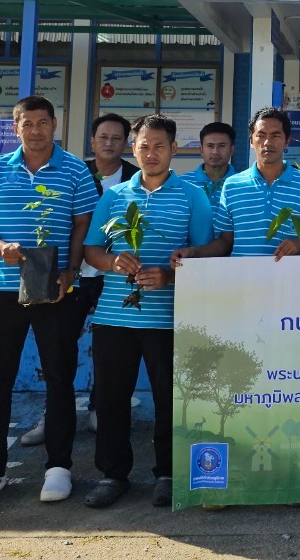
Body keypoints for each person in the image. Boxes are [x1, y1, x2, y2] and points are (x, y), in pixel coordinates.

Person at [0, 95, 100, 508]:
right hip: (2, 288)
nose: (35, 130)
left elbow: (81, 226)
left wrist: (71, 272)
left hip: (56, 289)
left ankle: (59, 467)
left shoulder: (75, 170)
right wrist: (0, 246)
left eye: (43, 122)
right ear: (15, 128)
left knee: (59, 378)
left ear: (55, 124)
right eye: (27, 123)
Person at [81, 114, 212, 510]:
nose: (150, 153)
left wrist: (171, 276)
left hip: (168, 319)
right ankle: (113, 474)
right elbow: (91, 250)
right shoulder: (114, 196)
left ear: (174, 149)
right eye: (142, 146)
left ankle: (168, 474)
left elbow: (204, 255)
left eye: (159, 146)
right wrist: (112, 263)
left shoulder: (193, 195)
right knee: (110, 398)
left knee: (170, 399)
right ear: (132, 149)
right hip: (113, 317)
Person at [20, 113, 139, 447]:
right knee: (60, 349)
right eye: (103, 137)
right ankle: (54, 414)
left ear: (126, 143)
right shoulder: (74, 172)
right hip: (71, 276)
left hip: (115, 279)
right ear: (92, 141)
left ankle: (101, 408)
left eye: (117, 138)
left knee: (110, 350)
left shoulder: (137, 177)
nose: (109, 143)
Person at [175, 108, 300, 261]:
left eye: (275, 135)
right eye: (261, 136)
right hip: (243, 279)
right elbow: (225, 240)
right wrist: (193, 252)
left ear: (287, 140)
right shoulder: (232, 185)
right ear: (251, 141)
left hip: (289, 279)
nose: (267, 142)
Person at [182, 121, 238, 205]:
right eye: (210, 146)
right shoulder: (182, 183)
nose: (215, 152)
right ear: (201, 150)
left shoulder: (242, 184)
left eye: (222, 146)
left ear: (232, 150)